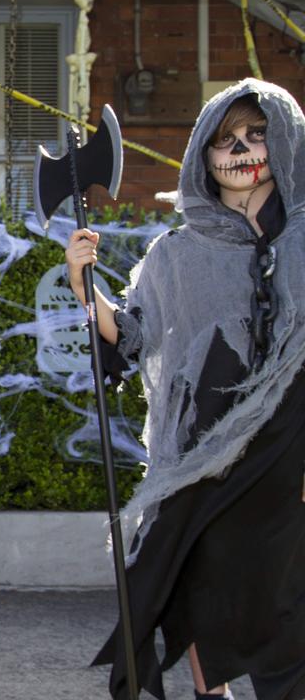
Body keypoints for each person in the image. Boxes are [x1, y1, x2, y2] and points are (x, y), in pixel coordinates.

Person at [76, 80, 305, 700]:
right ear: (204, 157)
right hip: (203, 450)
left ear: (284, 141)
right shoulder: (177, 251)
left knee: (284, 590)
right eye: (225, 140)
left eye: (257, 134)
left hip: (289, 449)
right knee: (198, 573)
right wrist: (83, 284)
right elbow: (132, 334)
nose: (241, 150)